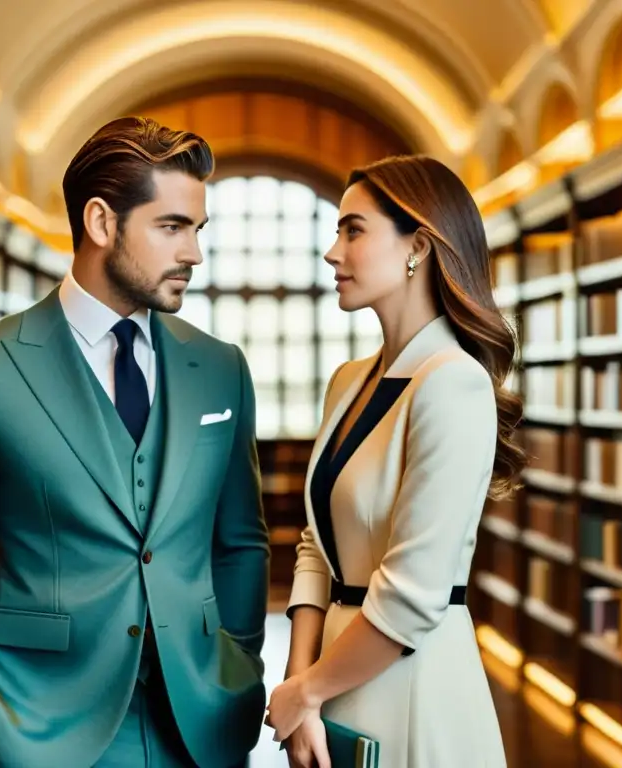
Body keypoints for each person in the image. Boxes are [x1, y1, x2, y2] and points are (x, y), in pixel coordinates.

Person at [0, 116, 270, 768]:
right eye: (172, 227)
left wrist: (235, 665)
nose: (194, 254)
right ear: (100, 223)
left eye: (198, 231)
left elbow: (241, 541)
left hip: (201, 727)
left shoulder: (221, 369)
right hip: (39, 730)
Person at [264, 154, 525, 768]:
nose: (333, 252)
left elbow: (413, 596)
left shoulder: (452, 382)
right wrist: (300, 684)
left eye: (353, 230)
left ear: (419, 247)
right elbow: (314, 548)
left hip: (414, 689)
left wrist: (306, 690)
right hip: (331, 691)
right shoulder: (347, 382)